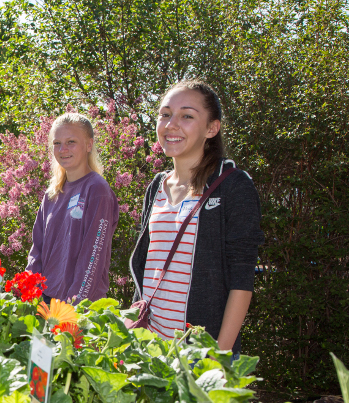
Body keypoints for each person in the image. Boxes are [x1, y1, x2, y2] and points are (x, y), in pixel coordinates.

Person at [129, 79, 264, 352]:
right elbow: (148, 270)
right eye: (165, 114)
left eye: (187, 116)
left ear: (212, 128)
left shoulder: (233, 185)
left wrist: (219, 357)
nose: (171, 124)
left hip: (202, 355)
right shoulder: (156, 186)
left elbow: (242, 279)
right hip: (150, 352)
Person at [26, 112, 119, 303]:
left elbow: (93, 256)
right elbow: (37, 250)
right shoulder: (53, 193)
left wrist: (75, 304)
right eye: (57, 143)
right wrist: (30, 292)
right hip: (46, 299)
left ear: (89, 145)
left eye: (71, 142)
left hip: (79, 305)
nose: (63, 149)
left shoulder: (97, 190)